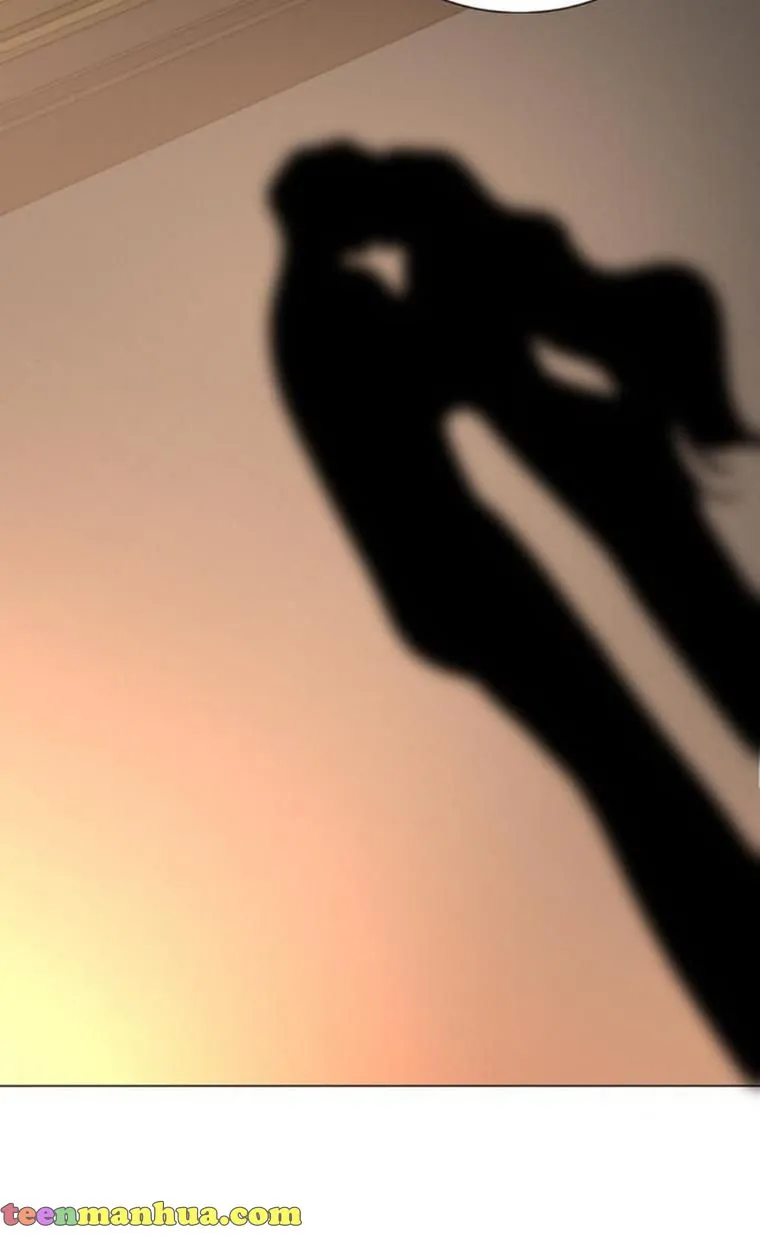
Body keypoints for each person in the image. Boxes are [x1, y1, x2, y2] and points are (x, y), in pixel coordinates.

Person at [269, 141, 760, 1078]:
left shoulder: (327, 303)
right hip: (460, 575)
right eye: (361, 197)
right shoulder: (340, 303)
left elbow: (456, 366)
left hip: (457, 573)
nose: (374, 228)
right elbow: (442, 372)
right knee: (630, 771)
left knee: (629, 770)